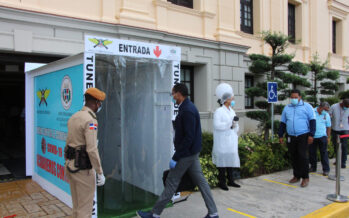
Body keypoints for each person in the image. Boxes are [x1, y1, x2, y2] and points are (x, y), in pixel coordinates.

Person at [137, 83, 218, 218]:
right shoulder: (186, 107)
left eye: (173, 93)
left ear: (179, 94)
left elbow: (189, 137)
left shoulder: (187, 110)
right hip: (191, 153)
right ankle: (213, 213)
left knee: (171, 181)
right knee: (201, 182)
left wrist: (176, 157)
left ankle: (154, 214)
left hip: (186, 154)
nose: (172, 96)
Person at [64, 87, 106, 218]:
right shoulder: (90, 120)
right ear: (95, 102)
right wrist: (100, 172)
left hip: (71, 166)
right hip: (83, 169)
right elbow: (92, 149)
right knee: (85, 209)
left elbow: (69, 143)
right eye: (100, 103)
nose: (100, 106)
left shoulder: (74, 116)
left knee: (77, 206)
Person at [278, 90, 316, 187]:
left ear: (300, 97)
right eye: (292, 97)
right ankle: (296, 176)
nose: (293, 99)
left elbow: (312, 121)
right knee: (294, 156)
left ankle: (305, 177)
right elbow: (283, 122)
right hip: (291, 136)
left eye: (295, 97)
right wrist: (280, 135)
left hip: (303, 135)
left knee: (302, 156)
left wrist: (311, 135)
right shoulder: (287, 108)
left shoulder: (307, 107)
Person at [212, 83, 241, 191]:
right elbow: (217, 125)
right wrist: (229, 124)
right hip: (222, 141)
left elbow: (235, 125)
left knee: (230, 160)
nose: (233, 100)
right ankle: (222, 182)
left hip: (231, 140)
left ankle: (231, 180)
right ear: (226, 100)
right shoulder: (219, 112)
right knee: (222, 162)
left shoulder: (232, 111)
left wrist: (234, 125)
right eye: (231, 98)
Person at [309, 102, 331, 176]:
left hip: (322, 136)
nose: (326, 111)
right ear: (320, 107)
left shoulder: (326, 114)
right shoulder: (312, 112)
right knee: (312, 153)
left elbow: (328, 126)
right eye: (325, 109)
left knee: (324, 153)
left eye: (327, 110)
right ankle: (313, 167)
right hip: (312, 136)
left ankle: (326, 169)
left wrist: (328, 137)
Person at [329, 98, 349, 168]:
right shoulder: (334, 106)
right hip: (335, 129)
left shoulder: (348, 108)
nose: (346, 108)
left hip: (345, 129)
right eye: (346, 106)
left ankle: (343, 162)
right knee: (336, 146)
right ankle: (337, 160)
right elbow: (329, 116)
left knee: (344, 146)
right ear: (342, 104)